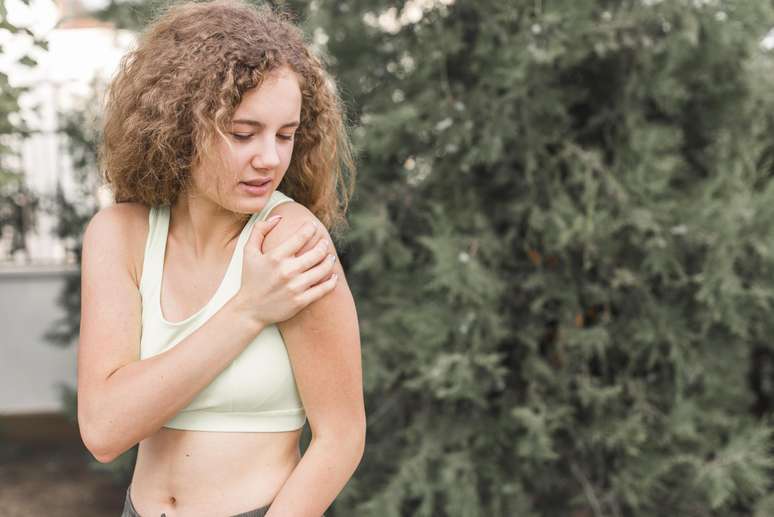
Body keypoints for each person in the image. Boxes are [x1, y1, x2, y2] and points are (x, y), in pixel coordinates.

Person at [75, 1, 365, 515]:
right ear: (181, 128)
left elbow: (341, 436)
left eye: (286, 134)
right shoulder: (119, 236)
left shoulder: (290, 242)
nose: (270, 158)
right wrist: (248, 310)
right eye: (242, 133)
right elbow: (104, 429)